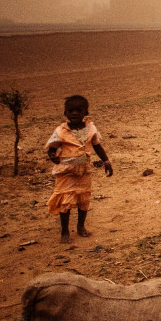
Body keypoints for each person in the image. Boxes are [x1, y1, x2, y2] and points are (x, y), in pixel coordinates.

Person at [46, 95, 113, 244]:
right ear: (65, 113)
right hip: (66, 172)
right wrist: (52, 156)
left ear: (85, 112)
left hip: (84, 171)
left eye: (78, 110)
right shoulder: (61, 131)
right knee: (65, 202)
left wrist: (106, 161)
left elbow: (97, 145)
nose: (74, 113)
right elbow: (52, 147)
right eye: (70, 111)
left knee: (84, 199)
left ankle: (81, 226)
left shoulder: (91, 129)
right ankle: (64, 231)